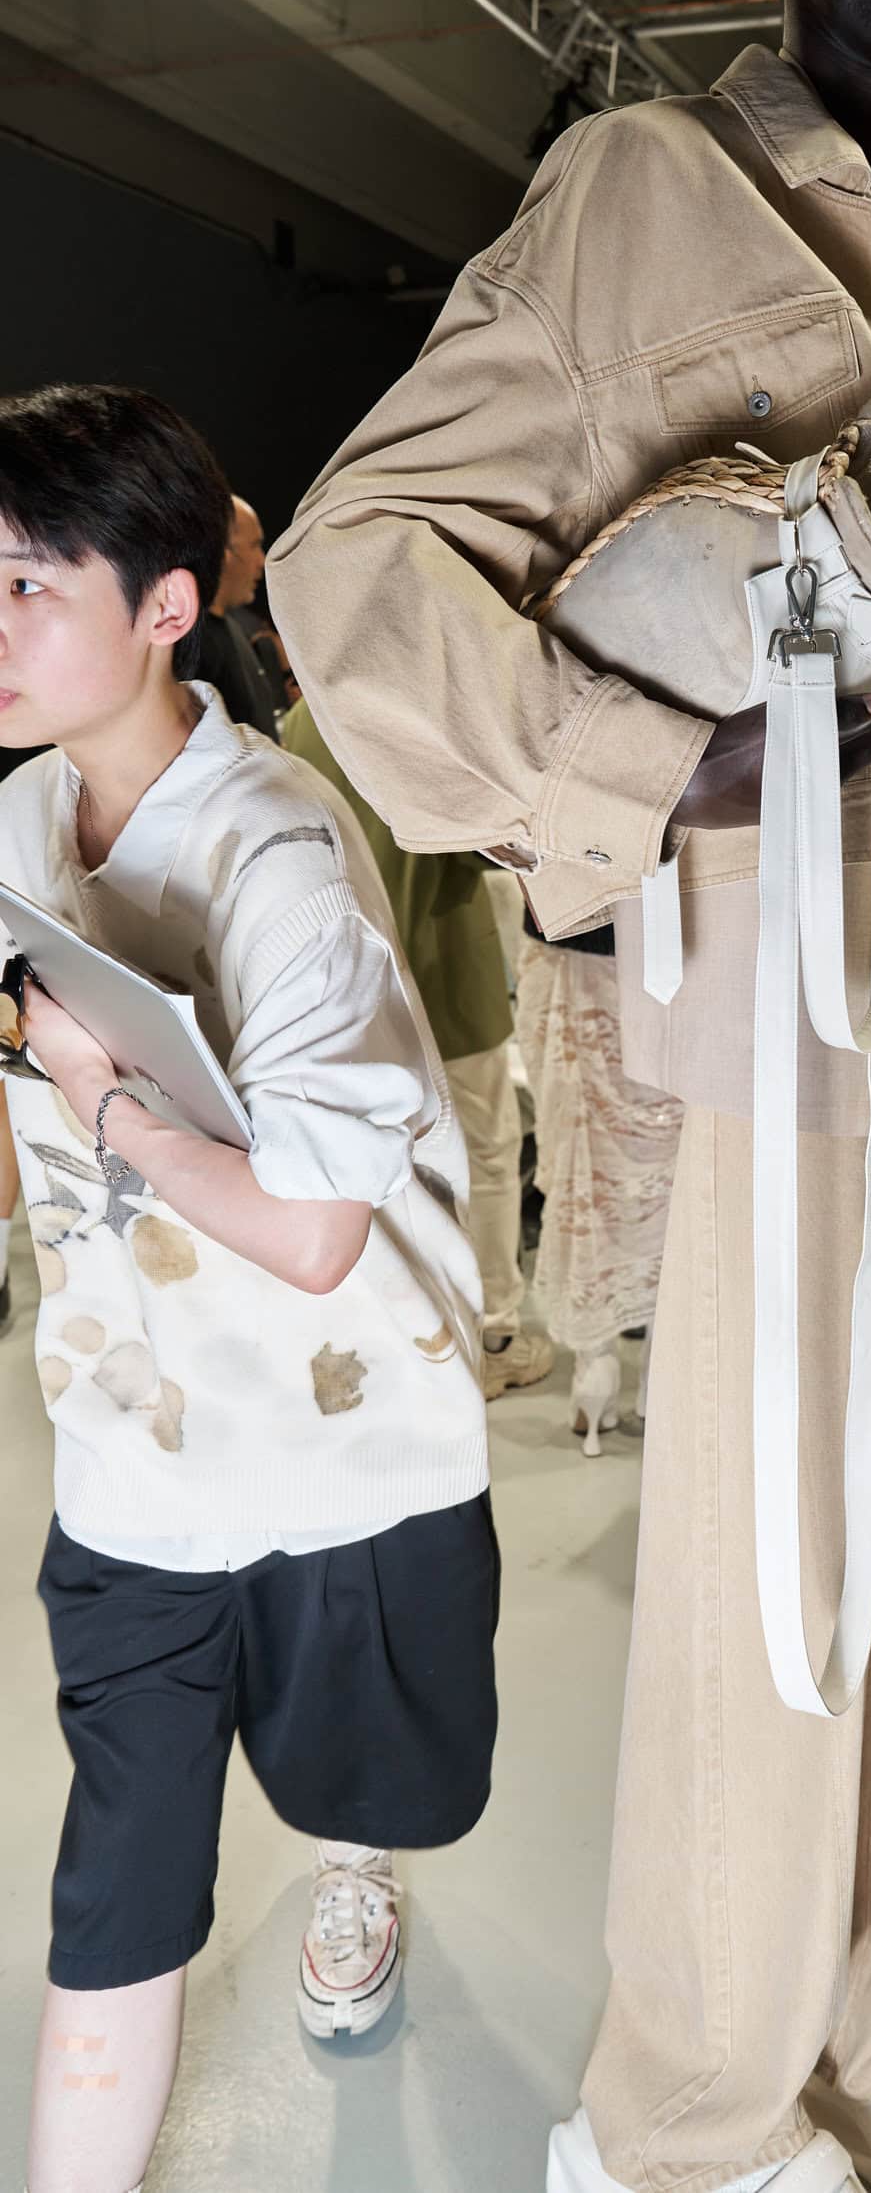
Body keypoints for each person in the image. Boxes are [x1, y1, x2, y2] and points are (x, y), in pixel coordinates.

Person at [270, 0, 871, 2193]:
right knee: (780, 1533)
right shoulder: (635, 201)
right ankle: (689, 2100)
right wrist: (654, 773)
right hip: (768, 949)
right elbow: (358, 572)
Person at [0, 385, 498, 2193]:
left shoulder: (279, 855)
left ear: (161, 607)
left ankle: (359, 1875)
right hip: (134, 1453)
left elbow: (311, 1234)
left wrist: (99, 1097)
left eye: (27, 586)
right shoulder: (17, 822)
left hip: (340, 1444)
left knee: (372, 1772)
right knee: (118, 1871)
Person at [284, 694, 555, 1401]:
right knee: (490, 1151)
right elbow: (496, 840)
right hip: (444, 968)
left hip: (348, 986)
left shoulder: (306, 717)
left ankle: (415, 1330)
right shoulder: (434, 710)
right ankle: (493, 1330)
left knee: (378, 1162)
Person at [515, 910, 681, 1453]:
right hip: (682, 939)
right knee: (672, 1167)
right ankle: (665, 1377)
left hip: (568, 938)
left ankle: (596, 1372)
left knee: (581, 1165)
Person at [195, 491, 281, 738]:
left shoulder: (233, 628)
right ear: (224, 552)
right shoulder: (193, 643)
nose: (262, 561)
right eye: (254, 546)